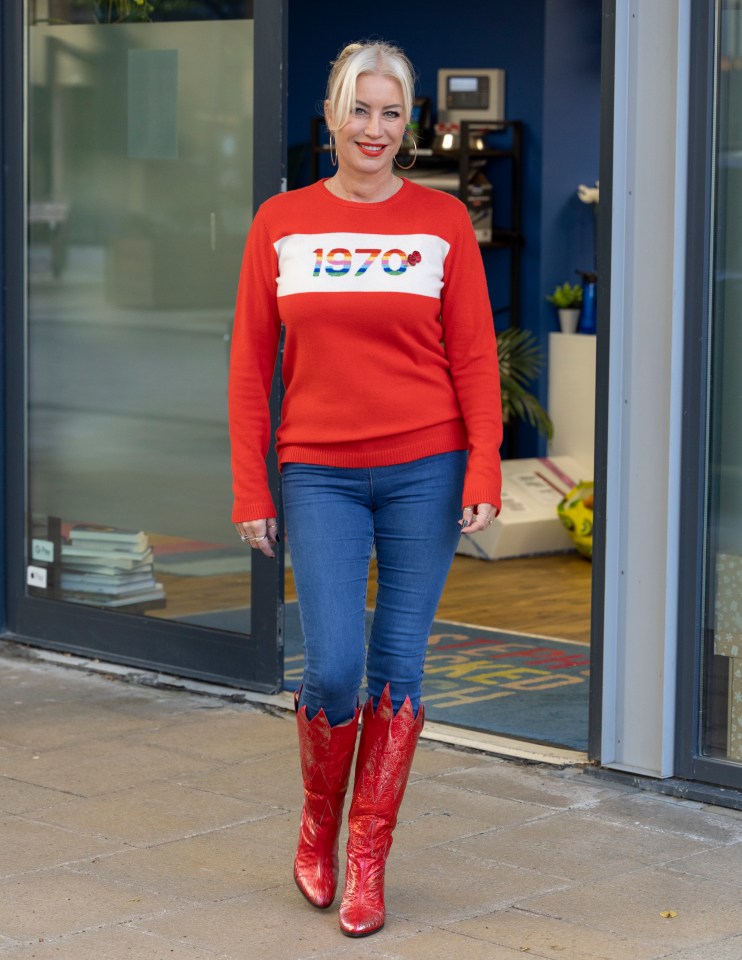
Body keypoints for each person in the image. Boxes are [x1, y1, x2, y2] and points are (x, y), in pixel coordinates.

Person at [229, 40, 502, 938]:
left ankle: (367, 858)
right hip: (320, 474)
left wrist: (485, 465)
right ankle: (318, 818)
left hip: (428, 468)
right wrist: (251, 488)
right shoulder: (281, 221)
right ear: (333, 116)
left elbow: (472, 354)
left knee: (399, 671)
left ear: (408, 122)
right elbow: (248, 366)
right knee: (335, 666)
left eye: (392, 113)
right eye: (361, 110)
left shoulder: (444, 220)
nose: (375, 129)